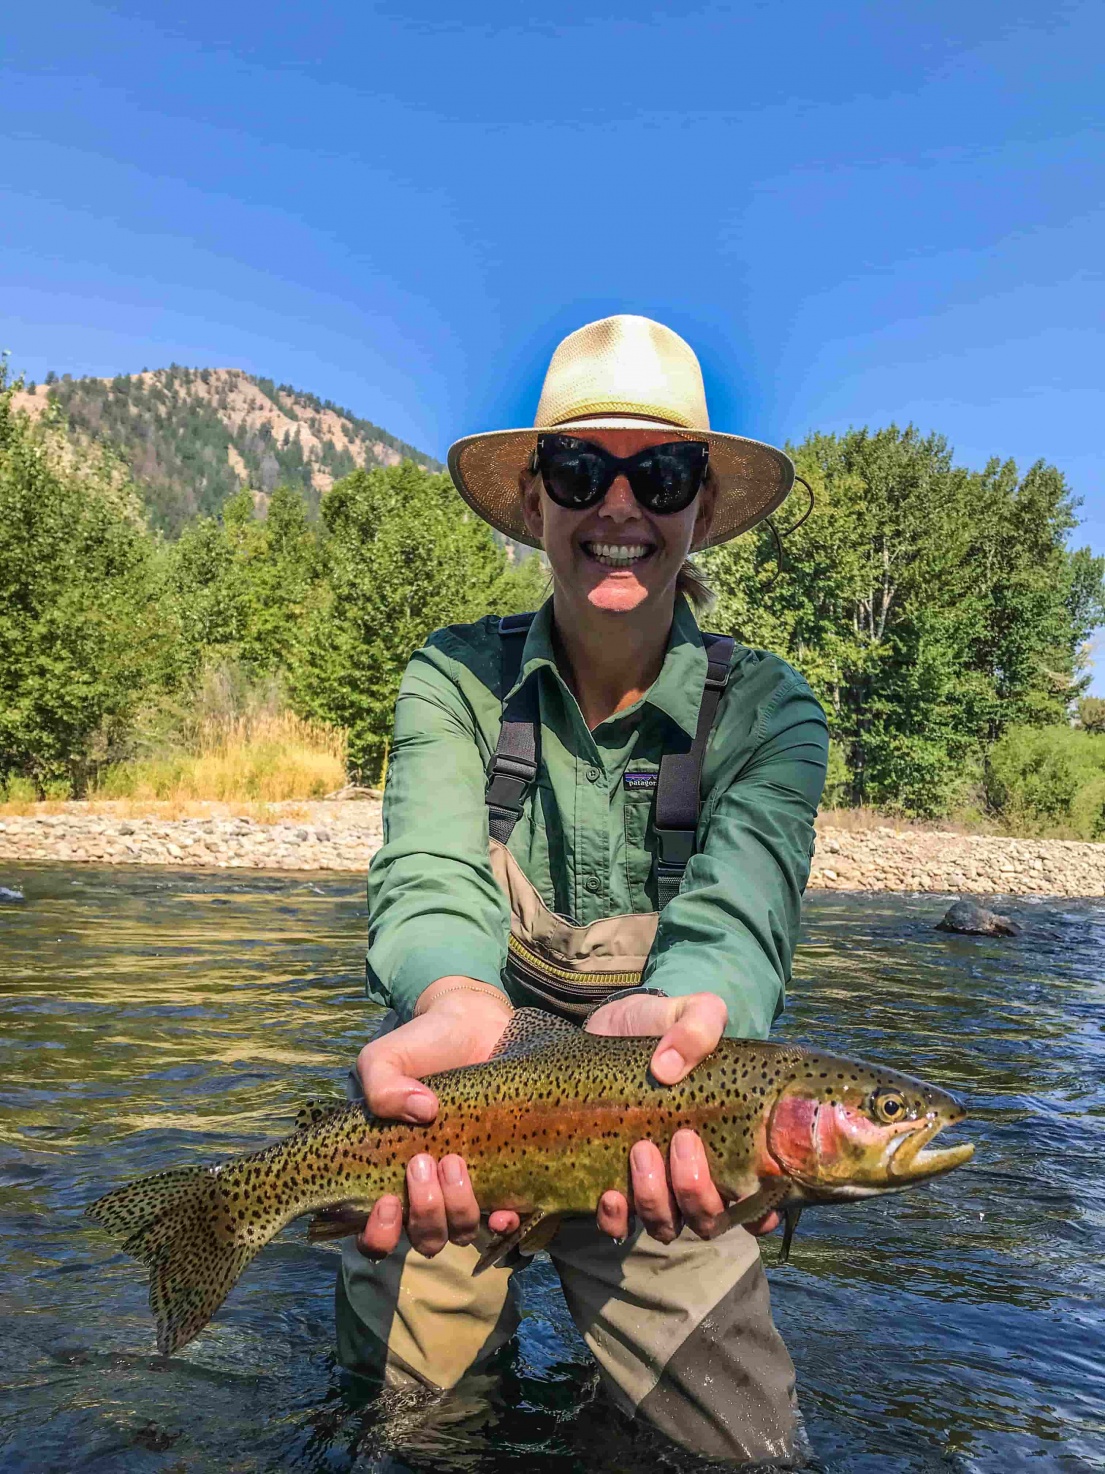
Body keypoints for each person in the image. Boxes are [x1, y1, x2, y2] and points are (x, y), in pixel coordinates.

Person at [337, 314, 829, 1466]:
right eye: (578, 470)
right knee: (403, 1423)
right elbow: (427, 873)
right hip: (472, 1082)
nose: (620, 508)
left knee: (740, 1447)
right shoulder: (453, 677)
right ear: (534, 504)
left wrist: (689, 1010)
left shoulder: (768, 712)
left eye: (658, 474)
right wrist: (456, 999)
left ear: (700, 510)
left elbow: (740, 914)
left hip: (667, 1106)